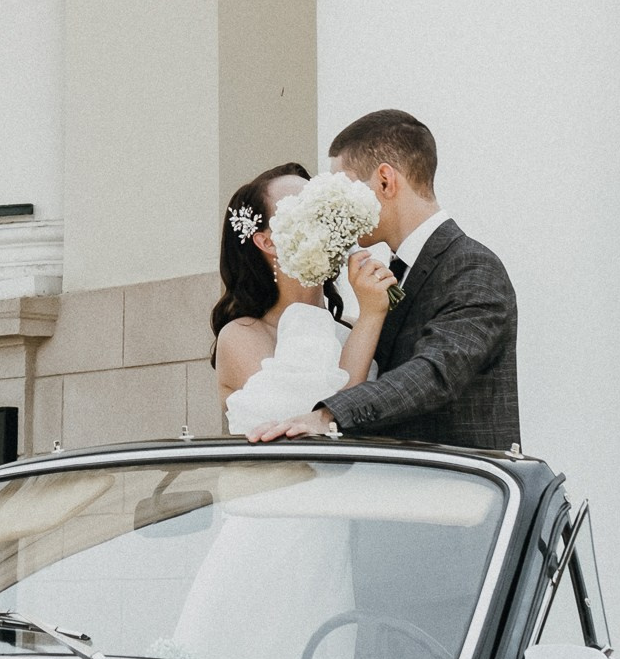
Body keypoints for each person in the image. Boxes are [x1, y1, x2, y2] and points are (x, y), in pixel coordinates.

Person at [242, 109, 519, 452]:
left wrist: (328, 416)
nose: (336, 209)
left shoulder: (473, 268)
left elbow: (433, 374)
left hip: (461, 494)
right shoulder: (392, 271)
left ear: (386, 181)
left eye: (343, 187)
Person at [211, 163, 383, 435]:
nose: (322, 216)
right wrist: (372, 317)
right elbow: (321, 419)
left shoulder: (354, 326)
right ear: (267, 242)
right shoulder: (242, 335)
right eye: (303, 207)